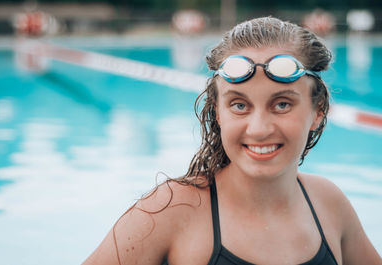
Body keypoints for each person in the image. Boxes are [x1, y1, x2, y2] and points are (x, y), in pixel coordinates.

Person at [82, 17, 381, 265]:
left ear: (318, 112)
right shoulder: (173, 211)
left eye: (282, 105)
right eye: (239, 105)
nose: (259, 128)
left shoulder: (328, 203)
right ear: (218, 113)